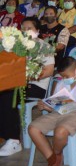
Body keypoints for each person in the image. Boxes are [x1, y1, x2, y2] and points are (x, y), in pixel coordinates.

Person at [27, 57, 76, 166]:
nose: (65, 79)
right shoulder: (62, 83)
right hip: (60, 113)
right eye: (63, 76)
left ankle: (56, 154)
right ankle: (52, 159)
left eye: (67, 76)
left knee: (60, 131)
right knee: (33, 129)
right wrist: (46, 106)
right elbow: (56, 106)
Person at [0, 17, 55, 157]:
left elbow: (49, 71)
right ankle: (3, 133)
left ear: (37, 30)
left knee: (8, 95)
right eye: (23, 28)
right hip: (17, 82)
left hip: (36, 85)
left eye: (29, 28)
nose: (25, 31)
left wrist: (28, 76)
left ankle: (14, 140)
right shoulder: (16, 46)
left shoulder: (45, 47)